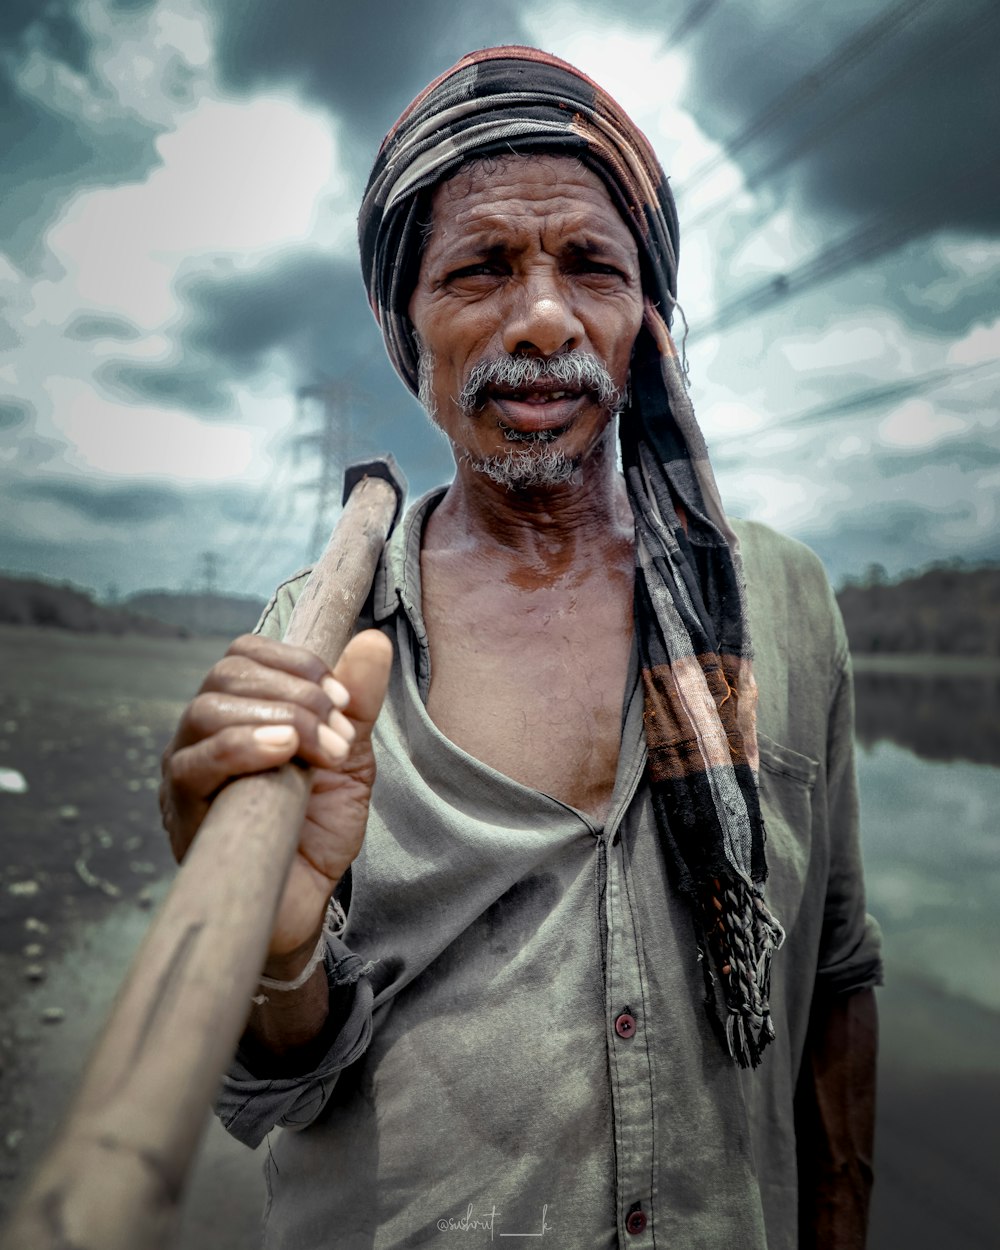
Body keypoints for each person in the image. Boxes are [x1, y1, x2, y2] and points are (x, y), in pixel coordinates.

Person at [161, 47, 882, 1249]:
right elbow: (267, 1082)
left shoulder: (783, 604)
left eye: (590, 264)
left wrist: (841, 1212)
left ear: (645, 318)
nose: (543, 317)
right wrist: (277, 948)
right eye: (481, 268)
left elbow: (837, 970)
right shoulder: (316, 645)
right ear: (410, 328)